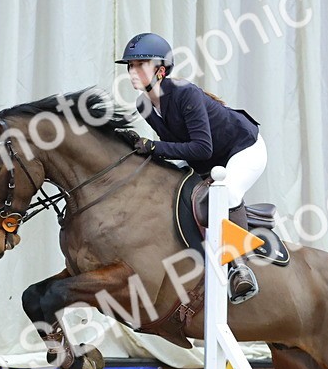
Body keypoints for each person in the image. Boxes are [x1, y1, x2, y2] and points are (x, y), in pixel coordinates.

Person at [114, 32, 267, 304]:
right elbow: (175, 145)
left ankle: (241, 268)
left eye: (140, 65)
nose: (132, 71)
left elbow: (200, 148)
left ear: (160, 71)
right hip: (207, 159)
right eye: (130, 66)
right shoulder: (143, 105)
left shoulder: (186, 94)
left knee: (227, 194)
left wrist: (153, 147)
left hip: (243, 148)